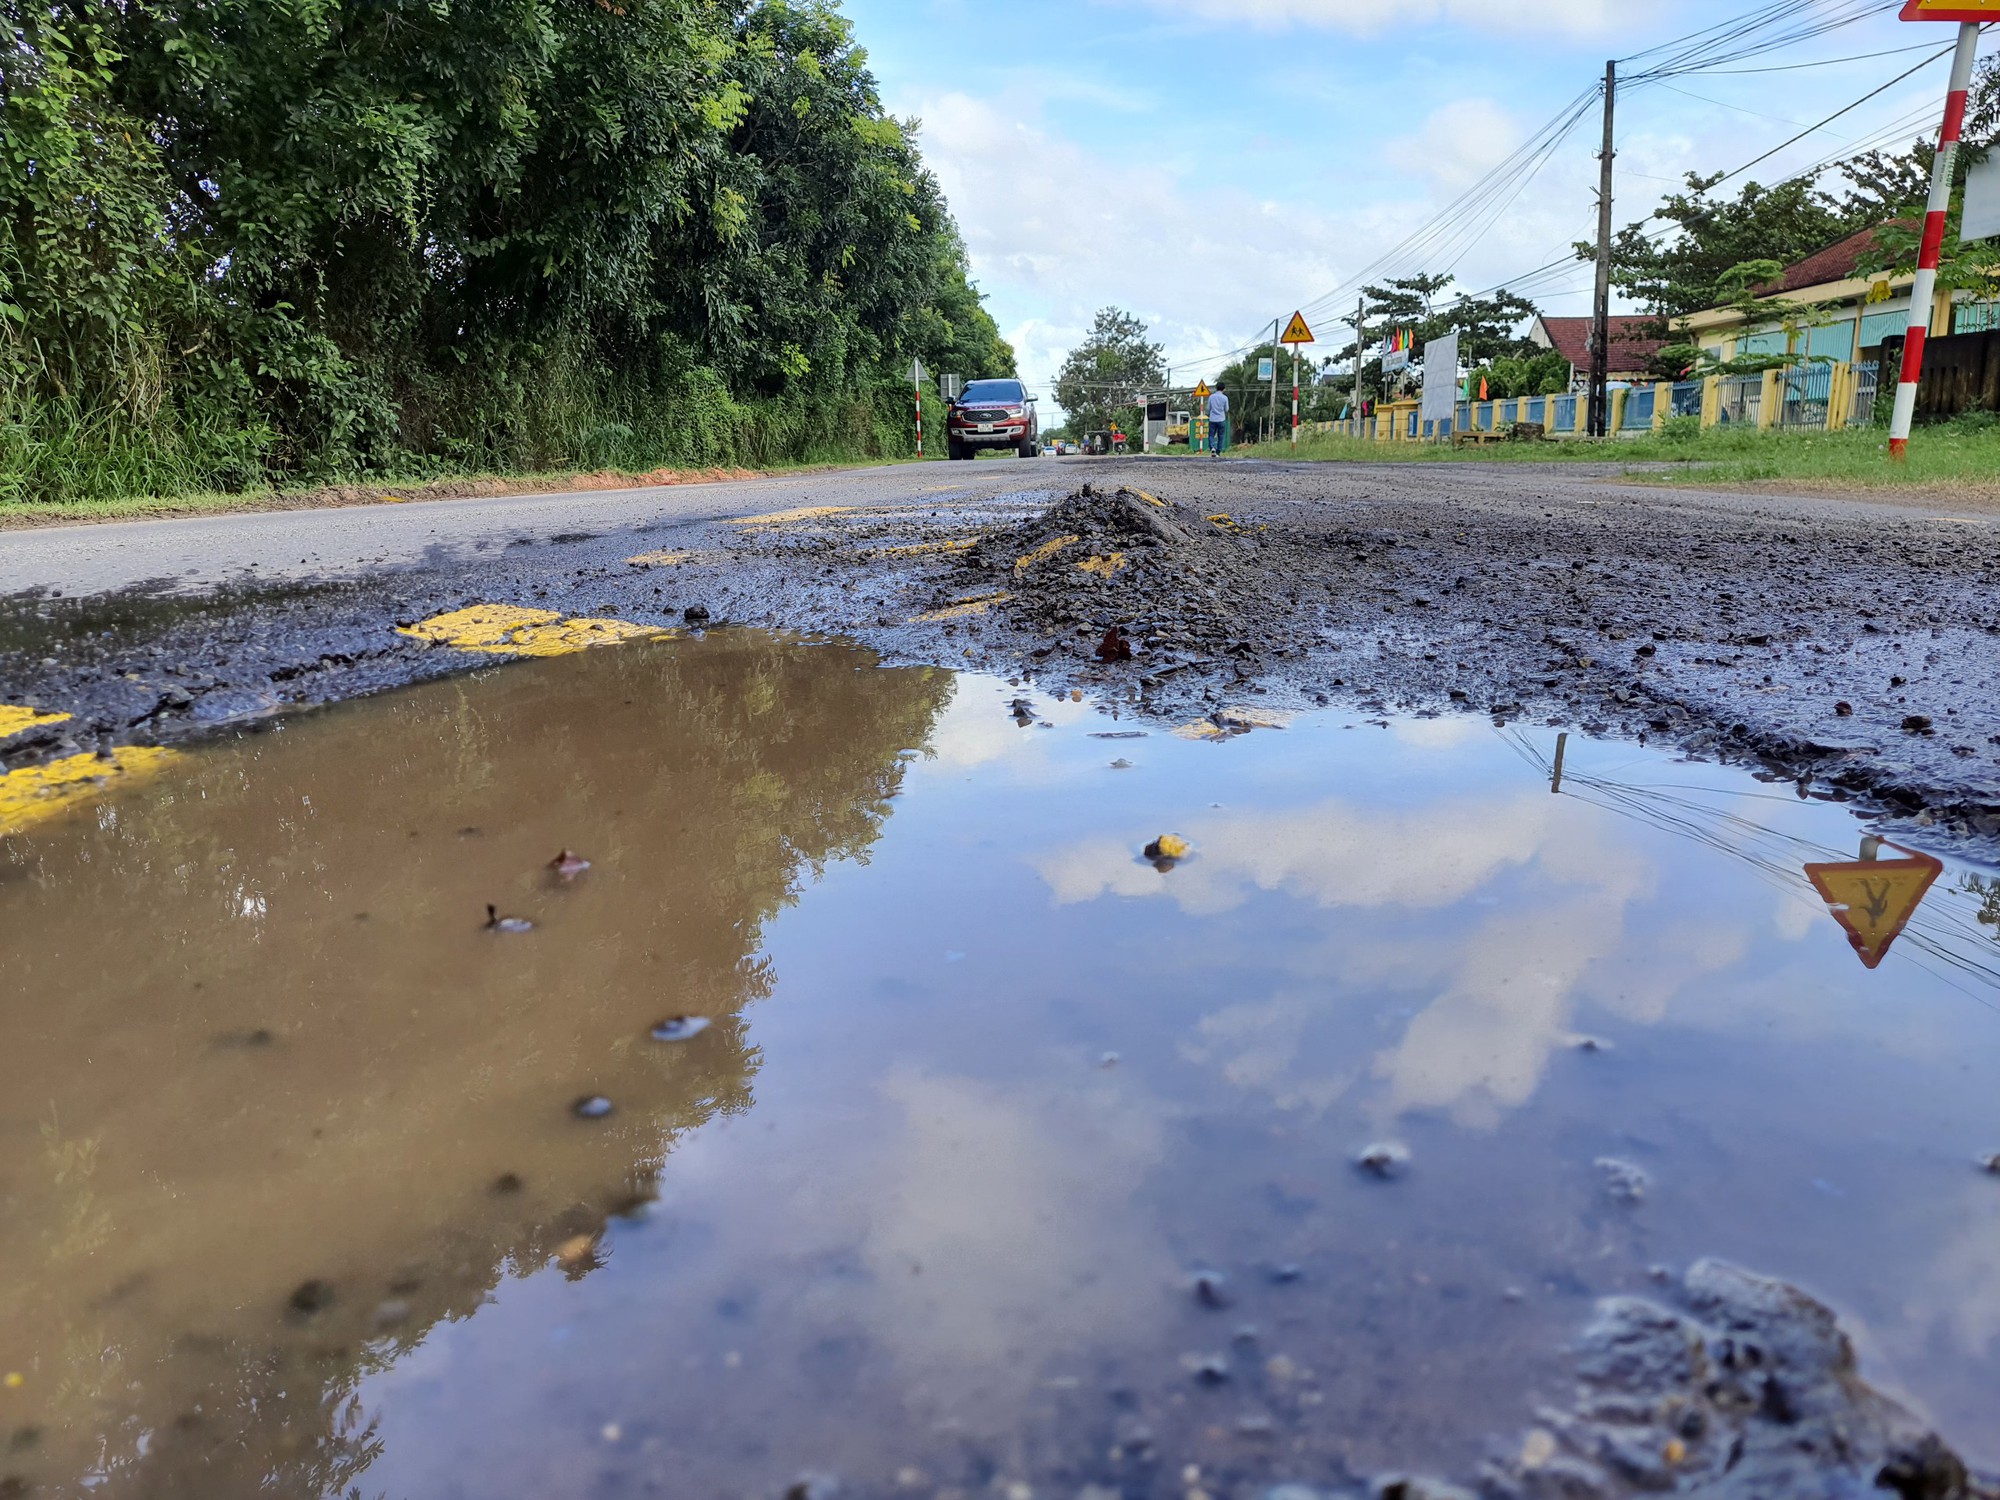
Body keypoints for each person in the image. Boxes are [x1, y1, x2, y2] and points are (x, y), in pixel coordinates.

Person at [1205, 385, 1230, 456]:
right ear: (1224, 389)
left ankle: (1212, 447)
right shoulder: (1225, 398)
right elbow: (1226, 409)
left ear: (1216, 388)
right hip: (1221, 419)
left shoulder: (1211, 397)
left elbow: (1208, 408)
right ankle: (1218, 452)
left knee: (1211, 435)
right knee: (1221, 436)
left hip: (1212, 419)